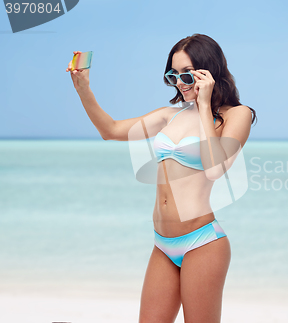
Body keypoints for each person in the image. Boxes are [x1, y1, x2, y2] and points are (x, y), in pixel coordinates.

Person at [66, 33, 257, 323]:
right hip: (163, 244)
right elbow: (112, 130)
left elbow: (215, 167)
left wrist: (205, 105)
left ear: (209, 72)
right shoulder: (171, 115)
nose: (180, 83)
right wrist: (83, 89)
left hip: (202, 242)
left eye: (187, 75)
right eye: (173, 75)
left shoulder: (237, 115)